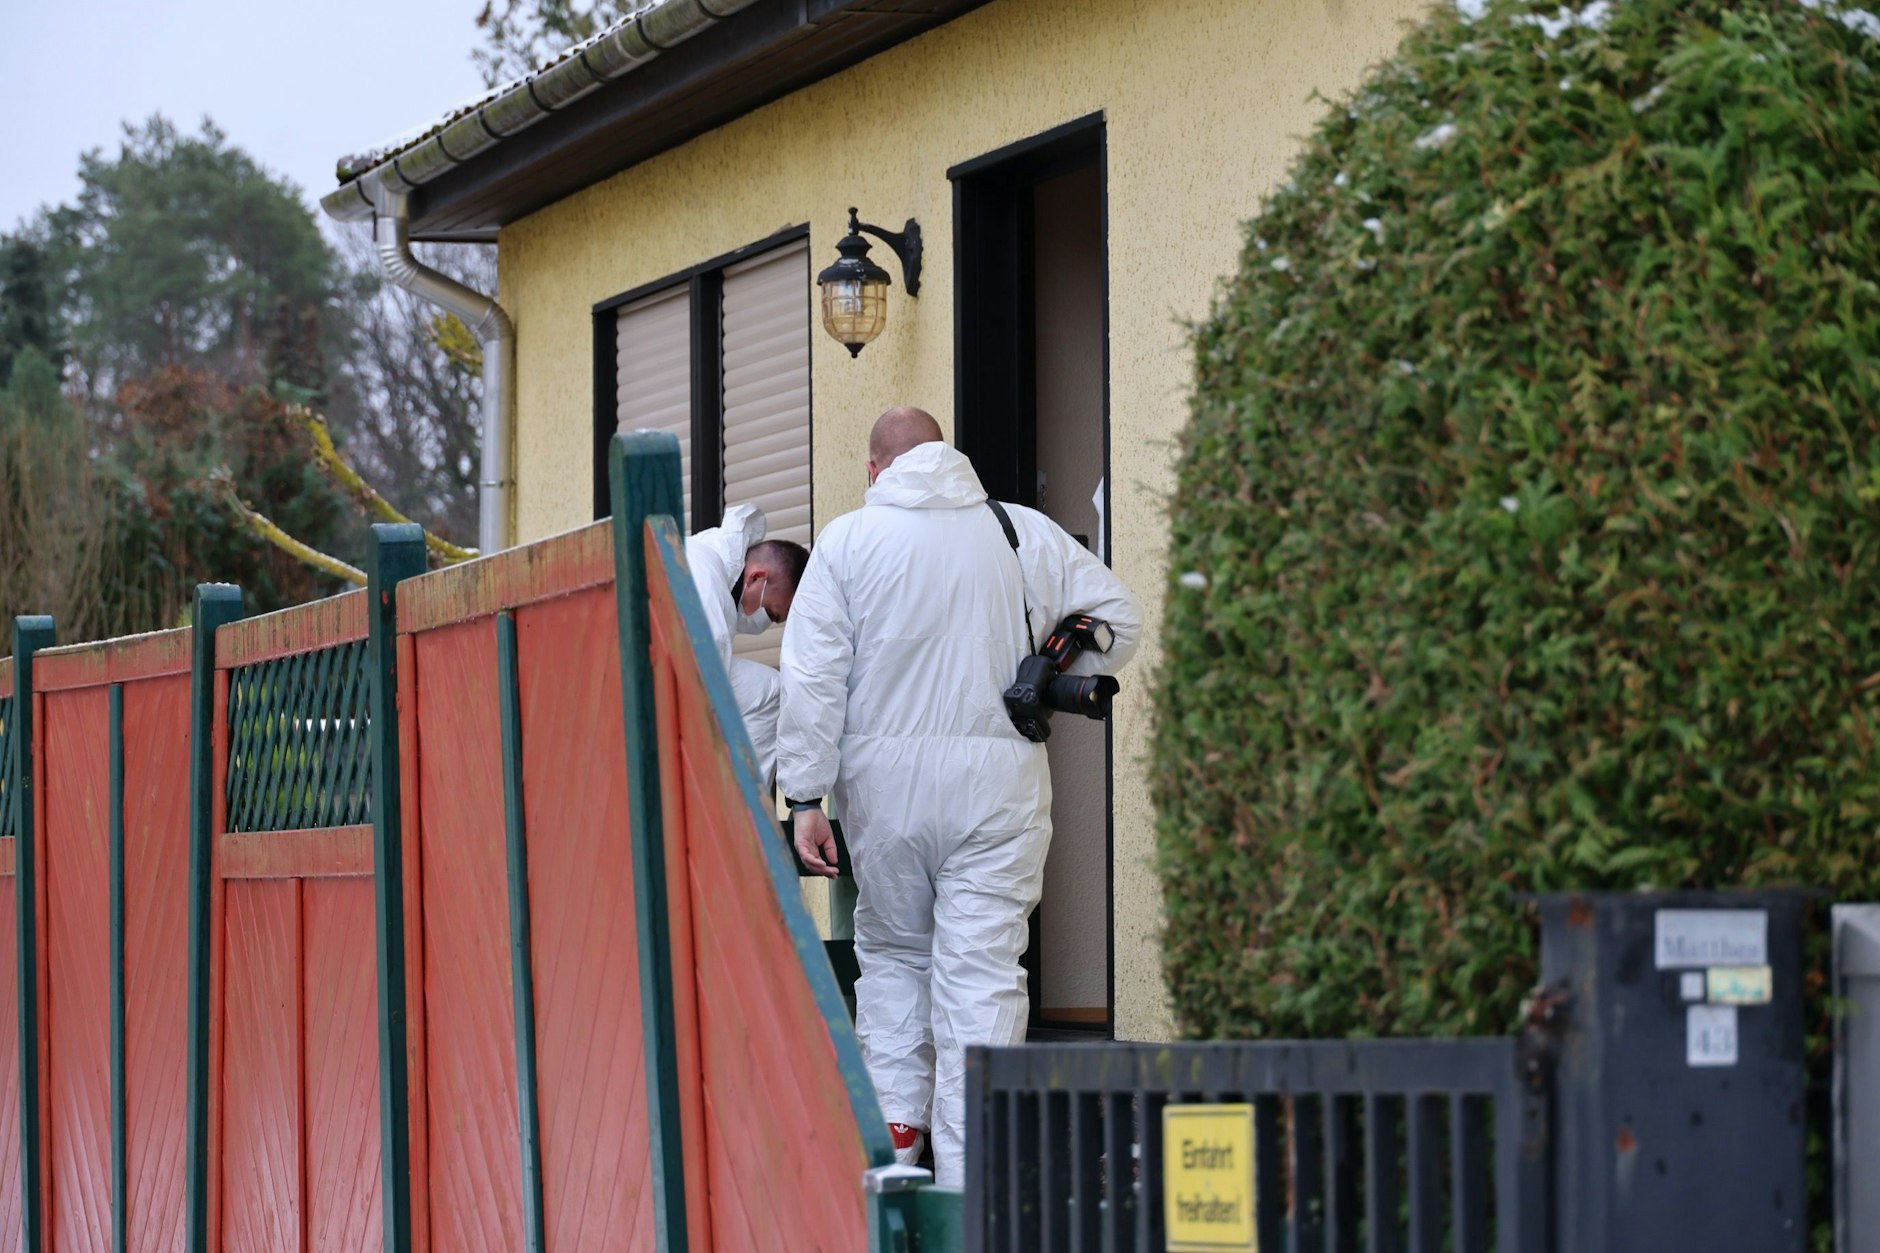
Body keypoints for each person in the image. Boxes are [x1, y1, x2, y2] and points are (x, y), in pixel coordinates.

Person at [776, 407, 1141, 1186]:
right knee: (980, 975)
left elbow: (810, 680)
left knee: (898, 961)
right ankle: (972, 1184)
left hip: (886, 799)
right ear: (949, 455)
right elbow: (1118, 619)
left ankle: (896, 1153)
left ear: (876, 470)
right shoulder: (1019, 530)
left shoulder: (846, 541)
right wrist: (1048, 662)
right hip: (996, 794)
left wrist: (805, 797)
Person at [683, 502, 809, 787]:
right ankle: (745, 814)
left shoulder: (713, 555)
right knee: (772, 692)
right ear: (757, 576)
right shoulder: (711, 587)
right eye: (774, 612)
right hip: (663, 681)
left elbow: (747, 616)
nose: (762, 615)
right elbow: (701, 691)